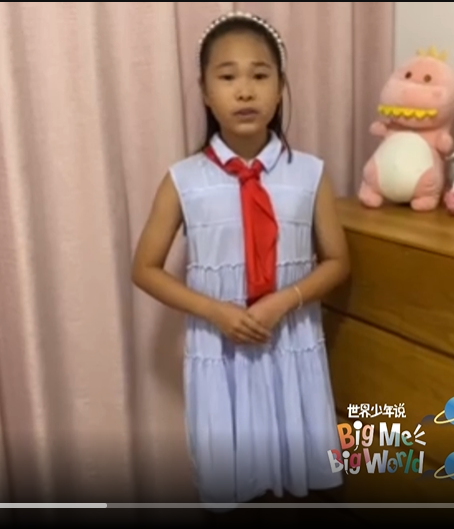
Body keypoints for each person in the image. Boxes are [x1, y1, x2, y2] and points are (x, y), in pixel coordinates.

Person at [131, 11, 350, 510]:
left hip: (290, 344)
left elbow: (338, 261)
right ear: (206, 92)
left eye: (260, 75)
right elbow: (144, 268)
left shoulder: (310, 174)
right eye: (228, 77)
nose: (245, 91)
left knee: (300, 486)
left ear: (281, 88)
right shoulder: (183, 180)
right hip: (221, 350)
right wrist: (216, 312)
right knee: (235, 485)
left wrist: (283, 301)